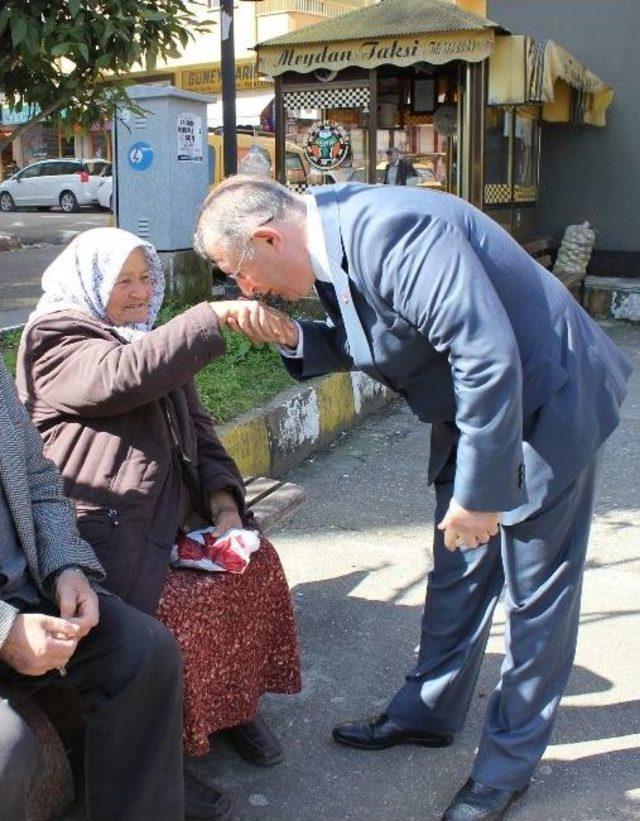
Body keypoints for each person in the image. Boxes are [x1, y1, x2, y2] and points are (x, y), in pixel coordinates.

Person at [191, 177, 632, 820]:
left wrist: (483, 494)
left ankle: (506, 768)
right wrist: (293, 338)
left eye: (240, 272)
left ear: (267, 236)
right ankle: (429, 710)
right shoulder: (332, 236)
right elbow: (387, 335)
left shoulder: (392, 230)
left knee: (536, 599)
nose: (247, 289)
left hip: (545, 403)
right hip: (474, 414)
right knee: (457, 568)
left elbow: (484, 357)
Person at [16, 227, 301, 818]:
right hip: (103, 529)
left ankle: (235, 708)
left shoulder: (148, 338)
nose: (140, 292)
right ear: (90, 283)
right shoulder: (56, 338)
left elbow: (198, 429)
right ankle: (165, 761)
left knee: (253, 566)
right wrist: (213, 315)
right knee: (172, 615)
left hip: (167, 518)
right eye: (123, 281)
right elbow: (120, 376)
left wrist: (224, 505)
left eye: (147, 278)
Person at [0, 357, 186, 821]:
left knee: (144, 652)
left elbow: (38, 480)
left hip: (29, 596)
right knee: (6, 751)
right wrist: (4, 629)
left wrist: (66, 567)